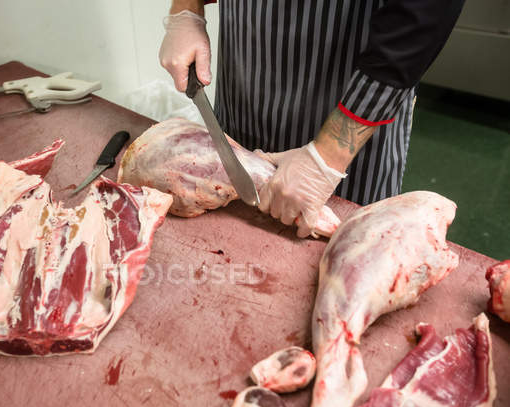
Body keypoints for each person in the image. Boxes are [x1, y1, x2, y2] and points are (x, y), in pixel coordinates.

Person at [159, 0, 464, 237]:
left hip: (346, 104)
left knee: (346, 244)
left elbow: (425, 11)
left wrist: (326, 159)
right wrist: (186, 10)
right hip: (244, 67)